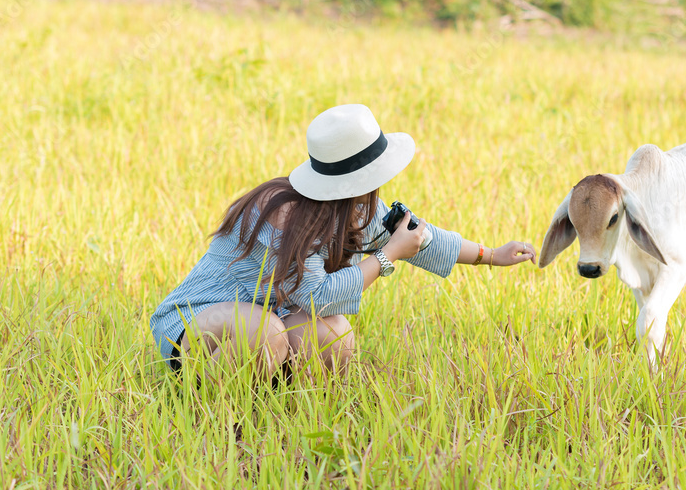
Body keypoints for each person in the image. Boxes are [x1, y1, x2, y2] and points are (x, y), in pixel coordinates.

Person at [149, 104, 536, 383]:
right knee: (263, 331)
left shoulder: (356, 210)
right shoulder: (283, 216)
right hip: (193, 325)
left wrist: (491, 256)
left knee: (332, 336)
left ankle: (270, 404)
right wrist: (386, 258)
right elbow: (317, 296)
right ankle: (208, 410)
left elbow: (421, 236)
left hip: (266, 321)